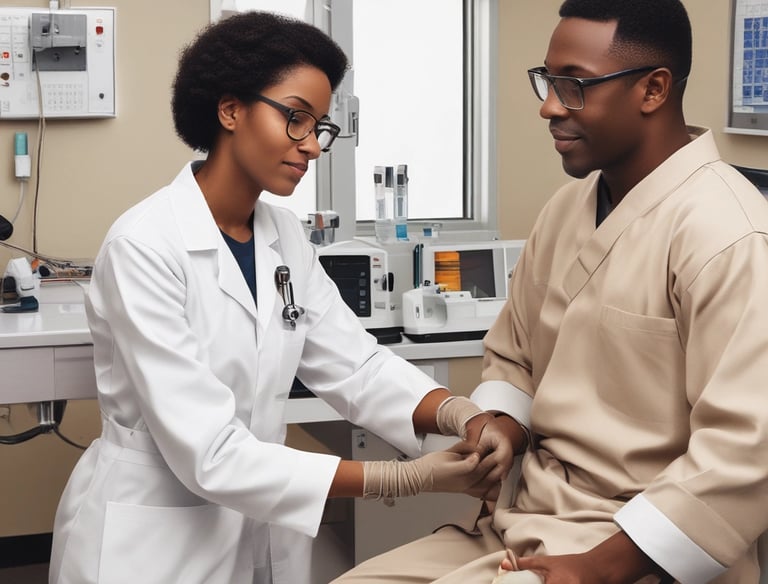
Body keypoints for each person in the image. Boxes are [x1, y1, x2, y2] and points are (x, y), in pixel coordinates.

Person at [47, 11, 518, 584]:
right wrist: (405, 478)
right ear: (230, 110)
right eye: (295, 119)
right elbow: (211, 453)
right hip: (153, 540)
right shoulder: (144, 246)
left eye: (319, 127)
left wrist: (461, 413)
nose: (313, 146)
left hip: (260, 528)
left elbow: (356, 366)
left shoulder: (284, 235)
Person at [332, 0, 768, 582]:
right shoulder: (567, 209)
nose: (549, 106)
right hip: (525, 520)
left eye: (574, 86)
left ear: (654, 89)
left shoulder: (727, 233)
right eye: (548, 80)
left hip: (632, 545)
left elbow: (747, 449)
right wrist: (503, 427)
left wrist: (599, 569)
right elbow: (515, 359)